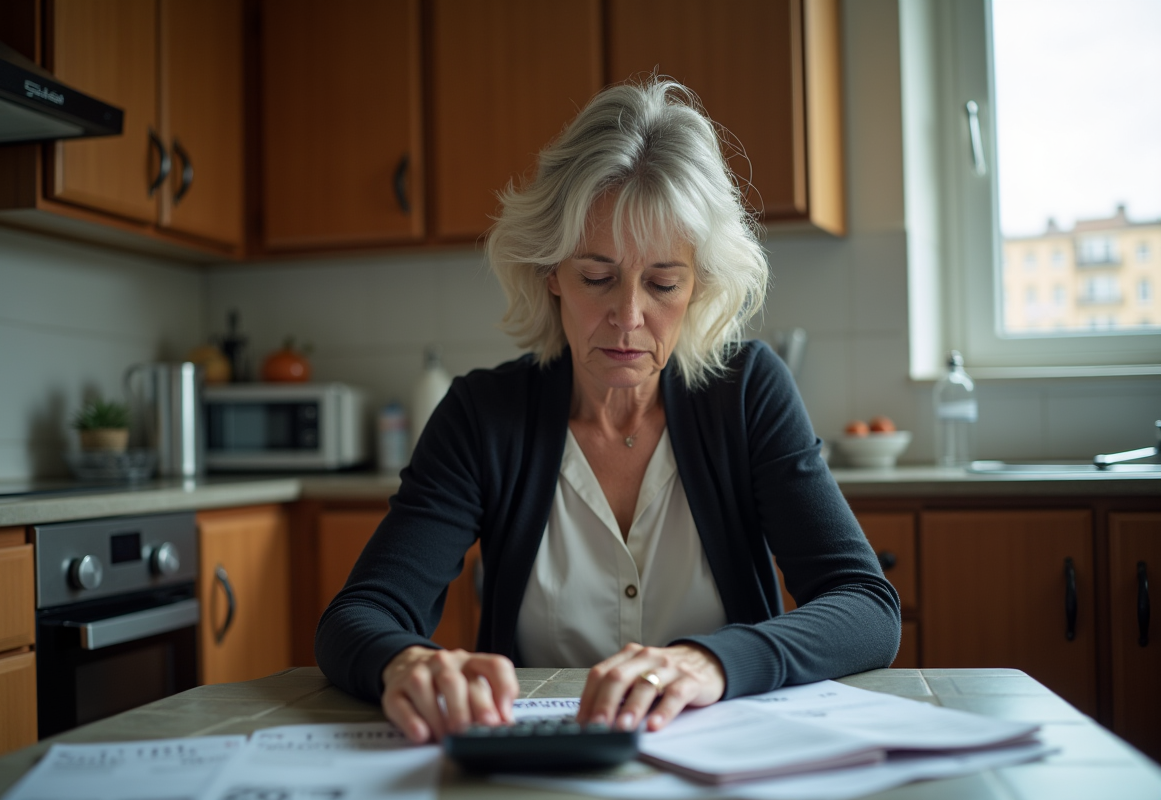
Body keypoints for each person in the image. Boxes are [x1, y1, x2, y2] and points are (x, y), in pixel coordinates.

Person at [316, 79, 900, 744]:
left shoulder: (748, 393)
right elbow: (357, 615)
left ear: (700, 288)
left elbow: (866, 606)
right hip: (540, 767)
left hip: (724, 760)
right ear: (551, 274)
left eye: (662, 283)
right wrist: (406, 662)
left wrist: (709, 661)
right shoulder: (484, 415)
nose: (627, 317)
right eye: (597, 277)